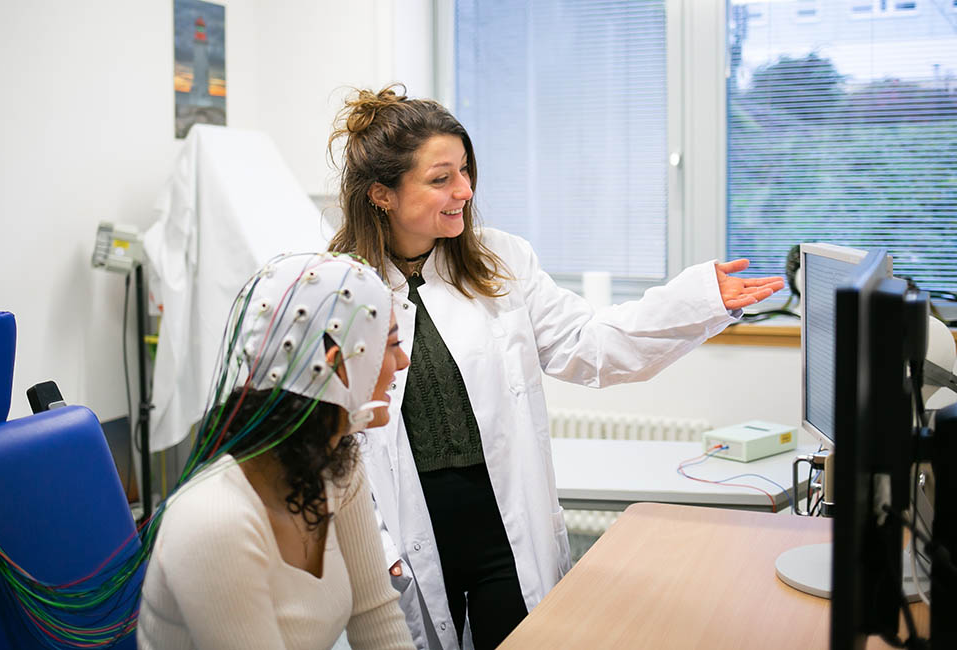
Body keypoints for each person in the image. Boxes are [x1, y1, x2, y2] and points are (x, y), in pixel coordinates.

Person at [326, 85, 786, 650]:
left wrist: (695, 301)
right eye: (441, 178)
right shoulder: (336, 289)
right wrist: (372, 545)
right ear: (381, 194)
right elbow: (328, 442)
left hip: (505, 523)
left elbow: (589, 344)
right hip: (409, 532)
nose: (465, 191)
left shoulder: (499, 262)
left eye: (466, 171)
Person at [137, 252, 417, 650]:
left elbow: (375, 617)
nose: (403, 361)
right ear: (338, 366)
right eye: (391, 345)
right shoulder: (216, 522)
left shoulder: (338, 462)